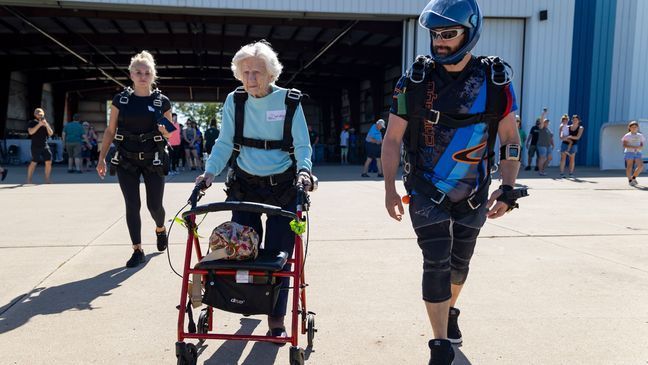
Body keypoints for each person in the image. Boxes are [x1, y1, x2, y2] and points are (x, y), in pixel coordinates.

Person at [382, 1, 523, 363]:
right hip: (426, 190)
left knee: (460, 264)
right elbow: (393, 139)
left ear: (469, 32)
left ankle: (450, 310)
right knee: (436, 262)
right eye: (435, 34)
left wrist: (507, 188)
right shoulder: (414, 80)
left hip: (473, 191)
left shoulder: (495, 81)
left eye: (449, 34)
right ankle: (440, 343)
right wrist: (389, 189)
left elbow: (509, 136)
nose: (440, 42)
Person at [195, 40, 312, 341]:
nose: (251, 78)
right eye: (245, 72)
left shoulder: (290, 102)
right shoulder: (235, 101)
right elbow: (223, 142)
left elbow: (302, 145)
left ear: (271, 74)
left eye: (257, 72)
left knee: (278, 255)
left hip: (283, 187)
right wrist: (209, 173)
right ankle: (246, 301)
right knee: (240, 251)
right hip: (244, 185)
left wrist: (305, 171)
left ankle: (276, 316)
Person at [96, 50, 173, 268]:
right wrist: (101, 158)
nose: (142, 76)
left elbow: (169, 133)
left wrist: (164, 129)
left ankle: (160, 228)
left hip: (153, 159)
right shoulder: (121, 100)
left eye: (147, 72)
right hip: (126, 160)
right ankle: (137, 249)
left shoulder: (162, 101)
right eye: (138, 72)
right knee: (132, 204)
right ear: (131, 74)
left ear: (153, 75)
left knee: (154, 205)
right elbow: (110, 131)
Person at [26, 107, 54, 184]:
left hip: (45, 145)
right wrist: (39, 124)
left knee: (48, 161)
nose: (39, 115)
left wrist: (46, 125)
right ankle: (29, 180)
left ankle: (47, 179)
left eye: (41, 114)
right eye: (38, 113)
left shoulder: (45, 123)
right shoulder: (32, 122)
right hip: (35, 146)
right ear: (35, 114)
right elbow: (31, 132)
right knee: (34, 162)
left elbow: (51, 133)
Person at [621, 120, 644, 186]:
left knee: (641, 166)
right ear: (629, 128)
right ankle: (630, 180)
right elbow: (624, 145)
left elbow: (641, 144)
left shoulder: (640, 135)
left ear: (638, 128)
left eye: (635, 127)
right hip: (629, 152)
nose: (634, 128)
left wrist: (640, 147)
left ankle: (633, 178)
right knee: (629, 167)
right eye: (632, 127)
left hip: (638, 153)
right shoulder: (627, 135)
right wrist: (634, 147)